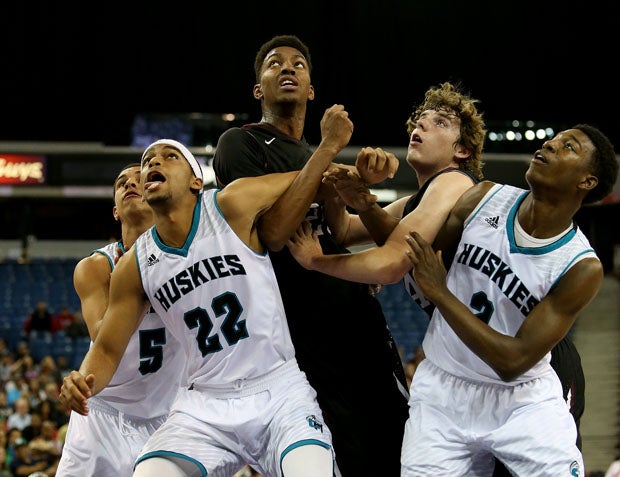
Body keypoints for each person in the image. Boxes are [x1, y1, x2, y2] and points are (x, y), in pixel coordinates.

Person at [286, 81, 587, 475]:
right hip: (473, 368)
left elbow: (391, 262)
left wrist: (316, 261)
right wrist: (341, 191)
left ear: (461, 151)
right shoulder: (417, 202)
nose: (423, 125)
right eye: (419, 119)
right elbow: (346, 231)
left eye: (439, 122)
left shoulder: (454, 182)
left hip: (531, 363)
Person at [60, 130, 355, 475]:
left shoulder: (230, 205)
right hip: (203, 402)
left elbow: (306, 179)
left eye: (169, 156)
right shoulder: (133, 266)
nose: (152, 162)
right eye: (147, 161)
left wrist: (351, 166)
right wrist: (83, 379)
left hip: (276, 388)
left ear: (196, 181)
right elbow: (107, 347)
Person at [213, 34, 407, 477]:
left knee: (394, 444)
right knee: (337, 457)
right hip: (300, 336)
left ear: (311, 88)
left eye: (298, 64)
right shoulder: (239, 144)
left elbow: (336, 231)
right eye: (274, 64)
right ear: (258, 89)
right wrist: (328, 150)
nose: (287, 68)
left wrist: (359, 191)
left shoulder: (315, 155)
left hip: (357, 319)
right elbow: (275, 234)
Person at [400, 124, 618, 475]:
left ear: (587, 181)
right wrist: (365, 207)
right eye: (554, 138)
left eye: (569, 146)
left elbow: (512, 362)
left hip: (521, 400)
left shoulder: (580, 266)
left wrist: (440, 293)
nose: (550, 144)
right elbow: (410, 253)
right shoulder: (483, 197)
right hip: (442, 390)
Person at [55, 163, 187, 476]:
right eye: (120, 183)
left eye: (139, 180)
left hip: (167, 418)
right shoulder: (95, 267)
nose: (129, 184)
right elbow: (104, 336)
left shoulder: (188, 258)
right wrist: (140, 275)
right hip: (102, 413)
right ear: (116, 210)